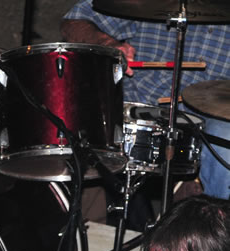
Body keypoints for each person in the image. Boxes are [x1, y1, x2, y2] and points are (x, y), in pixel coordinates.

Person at [61, 0, 230, 199]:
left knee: (225, 140)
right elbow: (74, 21)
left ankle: (212, 221)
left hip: (210, 121)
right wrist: (107, 44)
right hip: (135, 106)